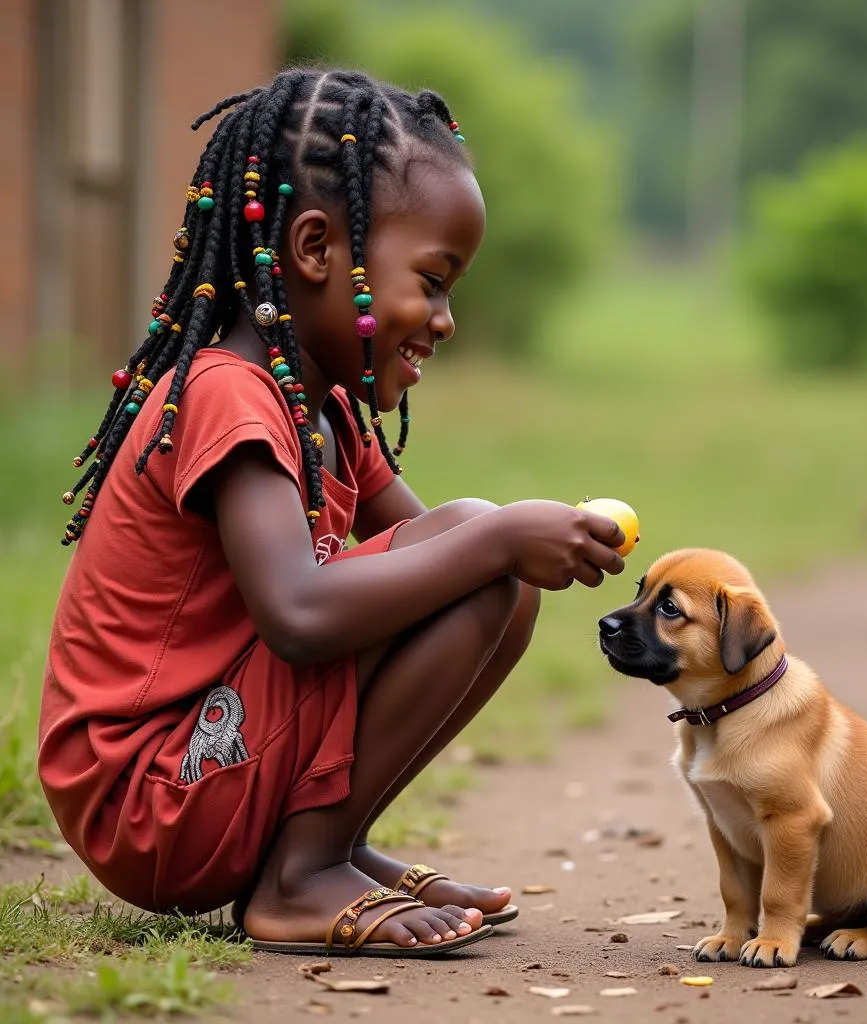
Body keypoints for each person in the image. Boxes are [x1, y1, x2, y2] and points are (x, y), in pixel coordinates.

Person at [37, 68, 625, 958]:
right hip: (148, 795)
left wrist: (515, 547)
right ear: (316, 249)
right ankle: (300, 877)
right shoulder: (228, 395)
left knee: (482, 563)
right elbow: (302, 616)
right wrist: (504, 533)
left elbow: (443, 592)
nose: (445, 318)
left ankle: (329, 849)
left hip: (208, 766)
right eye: (431, 281)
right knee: (479, 542)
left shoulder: (327, 405)